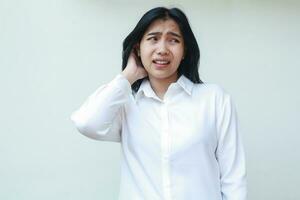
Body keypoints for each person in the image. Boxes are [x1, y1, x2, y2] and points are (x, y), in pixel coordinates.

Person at [70, 7, 247, 200]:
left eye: (173, 40)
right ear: (138, 48)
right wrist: (128, 75)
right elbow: (86, 123)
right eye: (153, 39)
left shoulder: (214, 99)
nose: (162, 49)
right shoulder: (126, 103)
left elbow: (234, 180)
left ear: (185, 49)